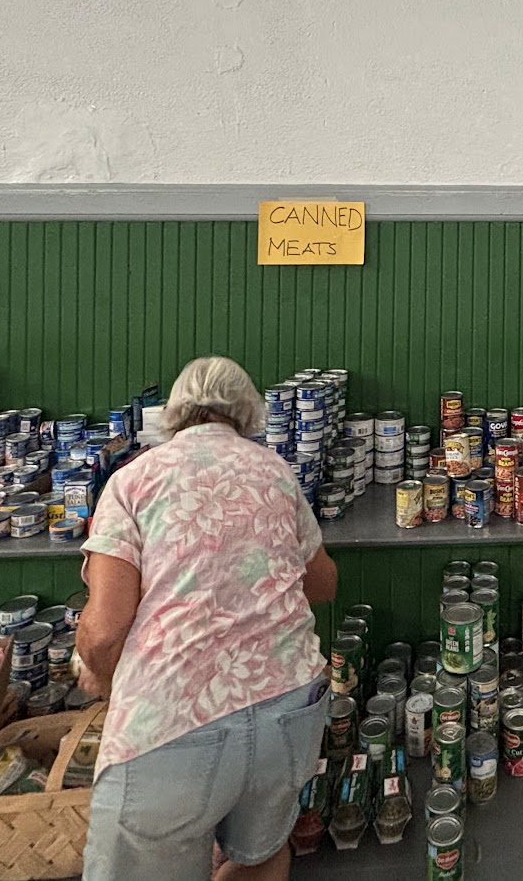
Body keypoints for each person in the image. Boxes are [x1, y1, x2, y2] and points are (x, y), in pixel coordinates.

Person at [76, 355, 338, 881]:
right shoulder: (274, 471)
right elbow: (323, 584)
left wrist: (103, 679)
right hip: (288, 703)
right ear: (249, 413)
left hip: (171, 720)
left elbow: (103, 632)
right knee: (260, 856)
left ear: (173, 413)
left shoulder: (132, 482)